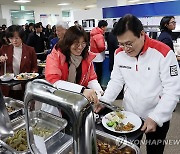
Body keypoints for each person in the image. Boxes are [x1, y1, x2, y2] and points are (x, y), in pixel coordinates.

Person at [96, 14, 180, 154]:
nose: (125, 49)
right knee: (129, 150)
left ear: (142, 34)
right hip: (130, 114)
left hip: (157, 115)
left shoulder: (163, 53)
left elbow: (172, 90)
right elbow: (116, 81)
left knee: (155, 150)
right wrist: (105, 101)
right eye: (121, 44)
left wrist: (156, 117)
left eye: (129, 43)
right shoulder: (119, 54)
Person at [41, 26, 103, 116]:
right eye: (76, 43)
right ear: (68, 43)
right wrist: (81, 90)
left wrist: (99, 93)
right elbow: (54, 81)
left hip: (76, 104)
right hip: (58, 103)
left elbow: (91, 78)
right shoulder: (55, 56)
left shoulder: (86, 57)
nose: (80, 47)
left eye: (83, 43)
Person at [0, 25, 38, 100]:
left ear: (22, 37)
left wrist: (32, 75)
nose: (14, 40)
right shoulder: (4, 49)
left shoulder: (30, 50)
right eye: (11, 38)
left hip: (25, 86)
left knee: (25, 108)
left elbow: (34, 67)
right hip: (8, 87)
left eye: (16, 38)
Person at [90, 20, 108, 84]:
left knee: (96, 71)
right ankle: (98, 85)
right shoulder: (99, 35)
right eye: (106, 26)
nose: (106, 28)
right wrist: (106, 47)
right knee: (99, 72)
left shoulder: (94, 32)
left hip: (94, 55)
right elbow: (101, 47)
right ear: (102, 27)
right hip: (99, 57)